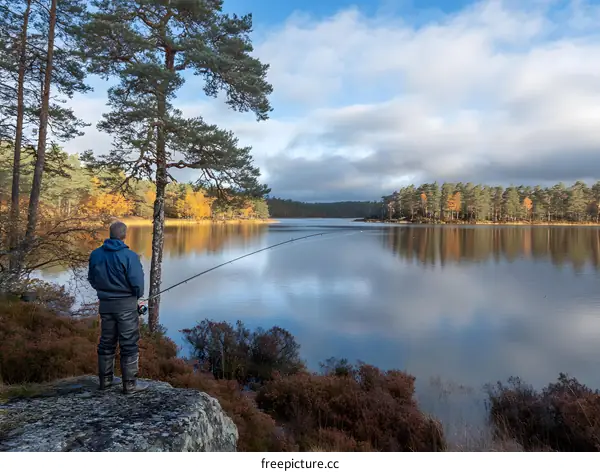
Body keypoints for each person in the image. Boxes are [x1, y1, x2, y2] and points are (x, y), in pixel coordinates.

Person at [88, 220, 148, 394]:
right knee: (128, 342)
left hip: (106, 305)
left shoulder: (95, 254)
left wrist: (106, 292)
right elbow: (138, 285)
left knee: (107, 341)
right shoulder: (129, 256)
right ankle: (130, 385)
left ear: (110, 234)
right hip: (126, 306)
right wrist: (135, 296)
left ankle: (105, 381)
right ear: (124, 235)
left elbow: (92, 279)